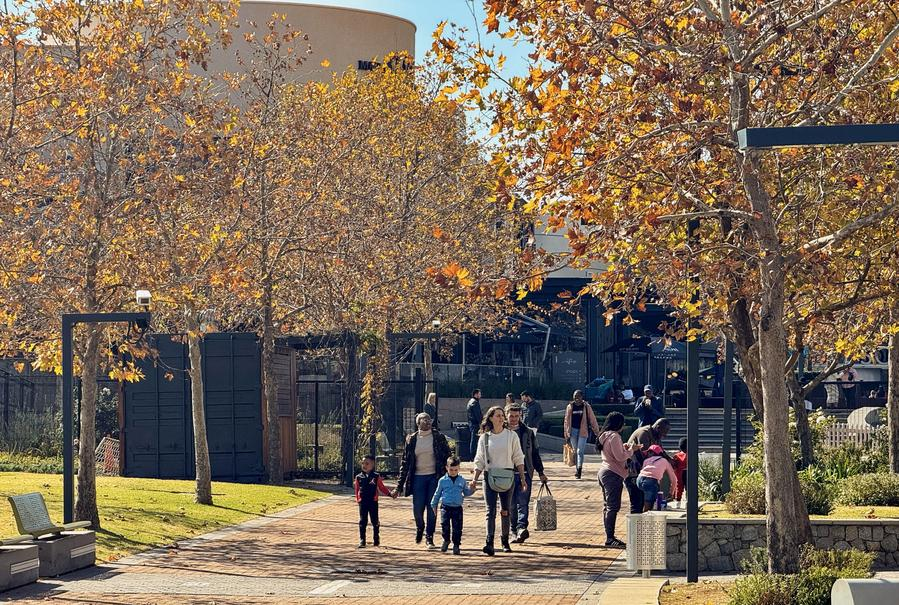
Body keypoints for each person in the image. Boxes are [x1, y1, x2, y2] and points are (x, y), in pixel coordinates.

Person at [471, 406, 527, 556]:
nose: (501, 418)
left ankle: (505, 541)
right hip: (489, 476)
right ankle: (489, 542)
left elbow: (518, 457)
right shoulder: (485, 437)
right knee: (490, 511)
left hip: (508, 476)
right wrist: (474, 480)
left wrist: (522, 478)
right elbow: (480, 459)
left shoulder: (511, 436)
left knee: (505, 510)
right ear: (490, 418)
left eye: (502, 415)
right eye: (497, 415)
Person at [393, 412, 451, 549]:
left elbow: (448, 456)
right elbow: (406, 462)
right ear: (418, 423)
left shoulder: (438, 437)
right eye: (423, 419)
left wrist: (449, 475)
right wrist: (399, 486)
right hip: (418, 477)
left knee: (432, 507)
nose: (427, 421)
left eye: (428, 419)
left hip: (434, 477)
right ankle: (420, 527)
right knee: (418, 509)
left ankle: (429, 537)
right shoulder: (411, 439)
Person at [506, 403, 548, 543]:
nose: (514, 419)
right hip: (507, 473)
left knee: (523, 502)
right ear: (506, 416)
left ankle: (521, 528)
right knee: (511, 504)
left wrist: (540, 472)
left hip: (525, 472)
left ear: (521, 416)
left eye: (517, 416)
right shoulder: (501, 432)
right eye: (511, 416)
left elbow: (535, 453)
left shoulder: (528, 432)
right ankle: (513, 530)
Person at [597, 411, 636, 548]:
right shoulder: (614, 436)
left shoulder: (604, 435)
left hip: (604, 471)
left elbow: (614, 453)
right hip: (613, 473)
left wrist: (624, 448)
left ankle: (609, 536)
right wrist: (631, 450)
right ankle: (610, 538)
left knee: (607, 506)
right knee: (613, 507)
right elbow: (620, 457)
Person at [430, 455, 474, 555]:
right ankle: (446, 540)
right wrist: (434, 504)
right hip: (445, 507)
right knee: (445, 525)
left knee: (457, 528)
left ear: (459, 469)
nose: (453, 472)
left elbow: (466, 492)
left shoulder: (462, 480)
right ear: (447, 468)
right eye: (451, 470)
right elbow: (437, 493)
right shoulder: (442, 481)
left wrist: (472, 489)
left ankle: (456, 545)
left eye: (455, 470)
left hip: (457, 508)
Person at [625, 418, 671, 513]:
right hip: (633, 473)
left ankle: (639, 526)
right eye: (664, 432)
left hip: (643, 474)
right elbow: (645, 457)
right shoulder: (644, 434)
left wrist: (670, 460)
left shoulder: (656, 436)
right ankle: (634, 527)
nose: (665, 436)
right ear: (658, 428)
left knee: (645, 502)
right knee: (637, 504)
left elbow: (661, 452)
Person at [355, 455, 396, 548]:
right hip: (363, 502)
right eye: (363, 463)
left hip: (373, 502)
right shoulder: (359, 477)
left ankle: (376, 538)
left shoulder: (376, 476)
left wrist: (390, 494)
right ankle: (362, 540)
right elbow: (357, 489)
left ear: (372, 465)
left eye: (367, 463)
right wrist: (358, 499)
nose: (364, 465)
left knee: (375, 520)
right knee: (362, 520)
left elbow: (382, 488)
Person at [564, 389, 601, 479]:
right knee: (575, 450)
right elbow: (566, 420)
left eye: (578, 396)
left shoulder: (586, 406)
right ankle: (577, 468)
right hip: (572, 431)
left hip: (583, 431)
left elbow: (592, 419)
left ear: (582, 397)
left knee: (580, 451)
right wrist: (566, 433)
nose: (576, 398)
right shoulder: (570, 406)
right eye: (575, 396)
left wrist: (597, 432)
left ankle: (579, 469)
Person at [637, 444, 678, 511]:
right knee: (649, 505)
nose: (648, 454)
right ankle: (647, 518)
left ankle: (645, 512)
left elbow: (643, 471)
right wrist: (671, 493)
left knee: (649, 497)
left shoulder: (646, 460)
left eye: (649, 452)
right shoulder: (664, 461)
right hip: (650, 481)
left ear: (653, 453)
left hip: (639, 480)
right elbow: (674, 479)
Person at [466, 389, 483, 461]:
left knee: (473, 440)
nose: (480, 395)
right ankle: (473, 456)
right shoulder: (475, 402)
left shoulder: (470, 401)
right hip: (475, 424)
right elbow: (478, 415)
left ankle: (472, 456)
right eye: (479, 394)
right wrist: (481, 423)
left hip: (471, 423)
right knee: (474, 441)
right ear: (475, 394)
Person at [671, 437, 687, 507]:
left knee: (680, 487)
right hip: (683, 473)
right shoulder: (677, 456)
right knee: (682, 487)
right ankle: (680, 501)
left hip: (680, 473)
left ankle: (679, 501)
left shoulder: (676, 456)